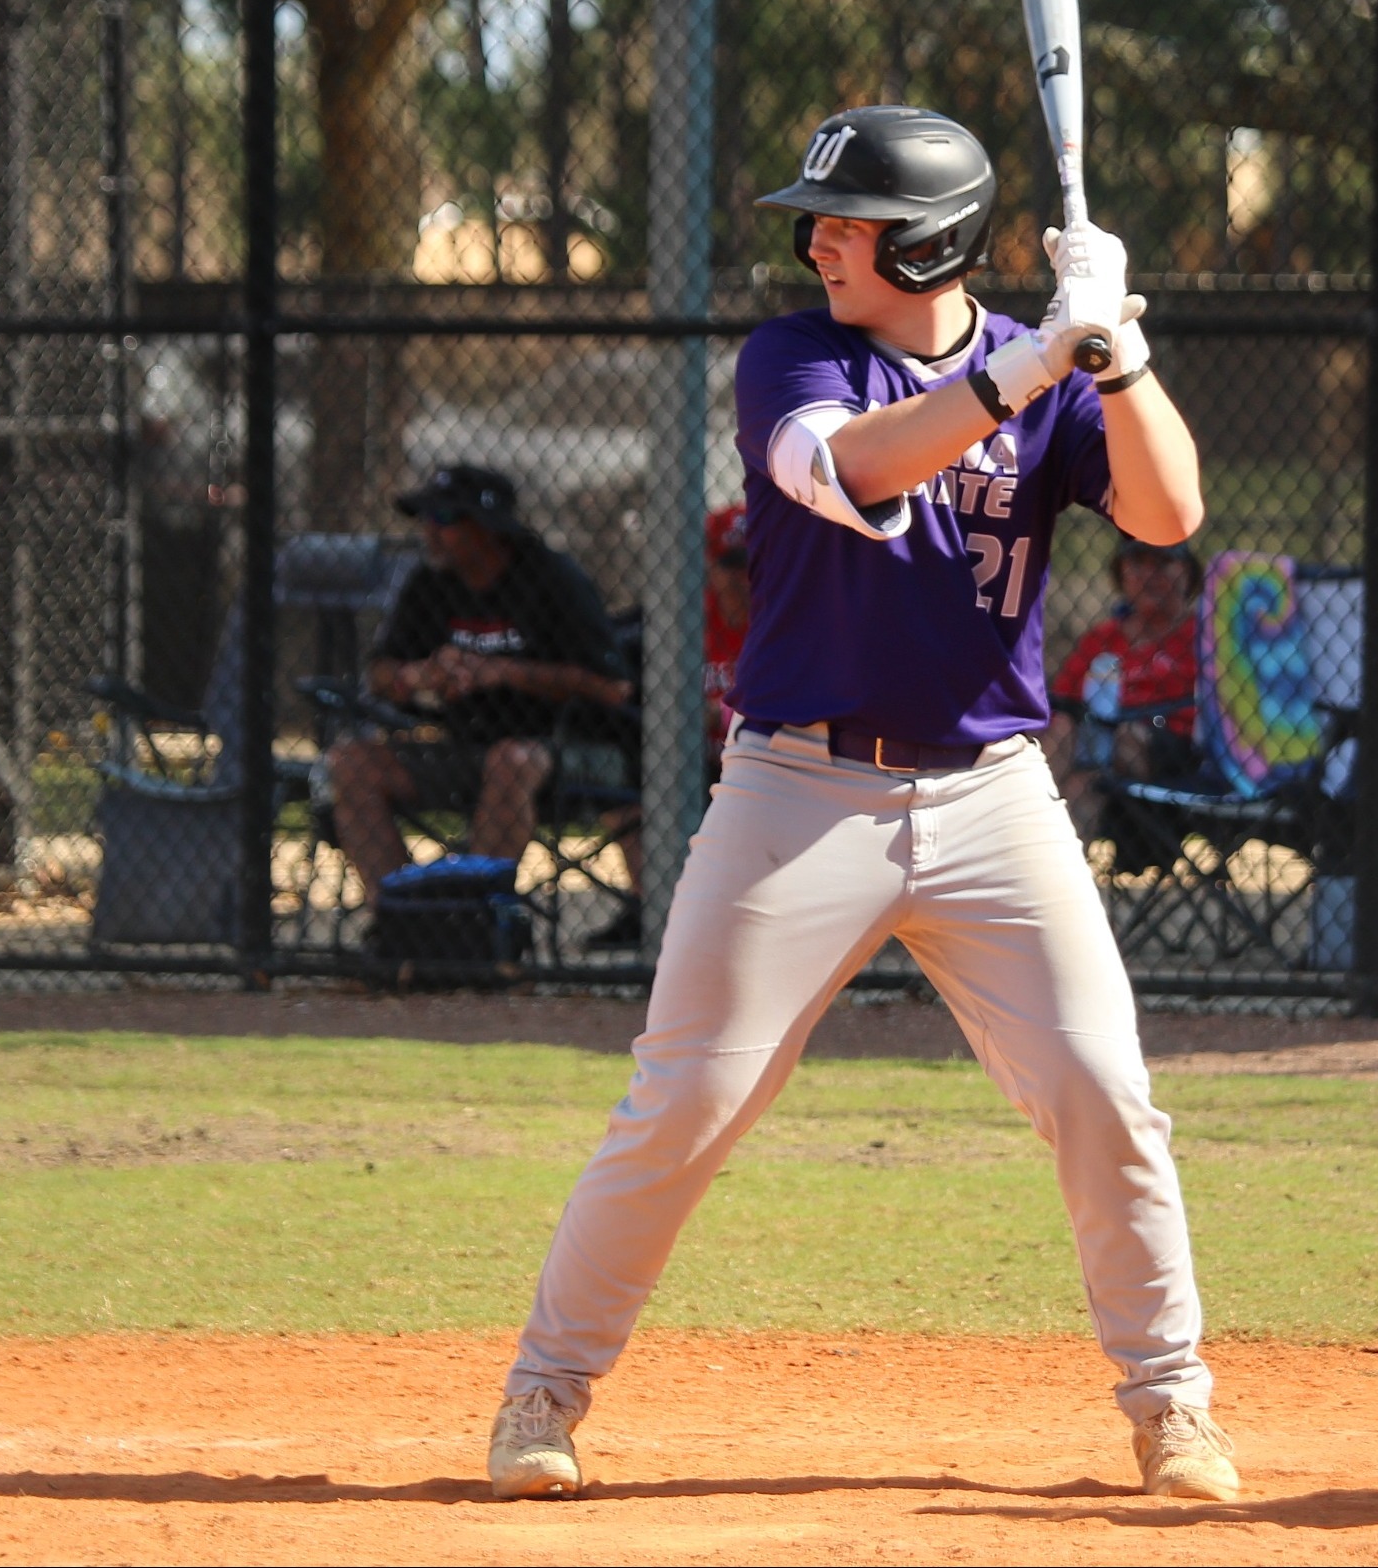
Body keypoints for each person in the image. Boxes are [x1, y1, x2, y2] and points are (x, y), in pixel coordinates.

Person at [486, 105, 1237, 1504]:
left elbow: (1170, 513)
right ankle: (544, 1393)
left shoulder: (1052, 364)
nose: (819, 241)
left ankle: (1173, 1406)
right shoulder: (796, 355)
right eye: (819, 223)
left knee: (1104, 1093)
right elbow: (853, 467)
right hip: (798, 792)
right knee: (686, 1100)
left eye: (847, 223)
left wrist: (1119, 358)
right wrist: (1026, 366)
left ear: (931, 240)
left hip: (998, 799)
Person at [324, 463, 632, 908]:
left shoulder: (551, 578)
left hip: (563, 750)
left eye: (446, 519)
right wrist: (419, 676)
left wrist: (502, 672)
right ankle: (401, 919)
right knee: (351, 763)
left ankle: (477, 922)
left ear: (488, 527)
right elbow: (380, 673)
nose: (430, 531)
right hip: (464, 747)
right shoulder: (430, 582)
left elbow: (613, 688)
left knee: (513, 759)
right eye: (426, 518)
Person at [1045, 535, 1202, 836]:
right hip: (1094, 749)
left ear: (1188, 572)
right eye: (1138, 564)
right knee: (1077, 776)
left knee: (1121, 736)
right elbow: (1063, 701)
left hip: (1174, 750)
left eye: (1164, 563)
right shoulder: (1102, 638)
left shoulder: (1205, 634)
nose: (1150, 575)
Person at [700, 505, 751, 764]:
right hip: (699, 764)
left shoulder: (779, 620)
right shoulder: (691, 617)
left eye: (753, 564)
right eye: (732, 565)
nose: (745, 578)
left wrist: (718, 714)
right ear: (710, 565)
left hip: (755, 763)